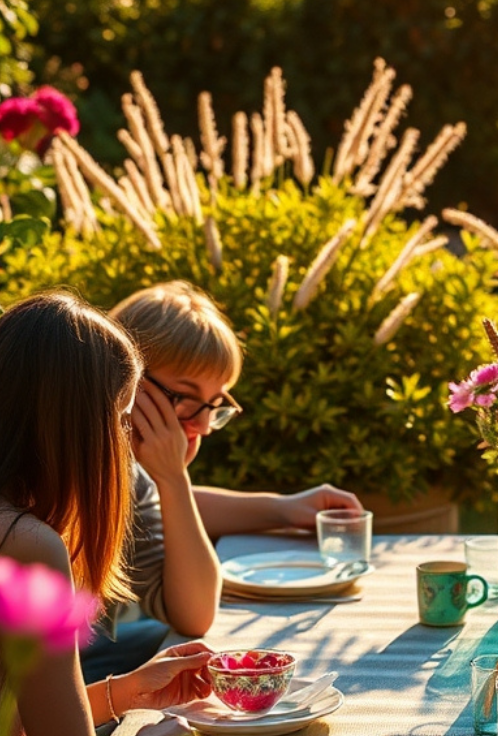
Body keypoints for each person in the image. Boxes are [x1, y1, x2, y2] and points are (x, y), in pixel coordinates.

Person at [0, 290, 213, 735]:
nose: (123, 442)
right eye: (122, 419)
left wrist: (128, 692)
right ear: (83, 427)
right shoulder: (20, 544)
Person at [84, 281, 362, 677]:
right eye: (184, 396)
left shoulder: (120, 470)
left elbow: (154, 509)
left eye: (215, 403)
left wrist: (282, 509)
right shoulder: (105, 475)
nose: (204, 424)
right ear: (123, 378)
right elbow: (195, 614)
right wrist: (174, 478)